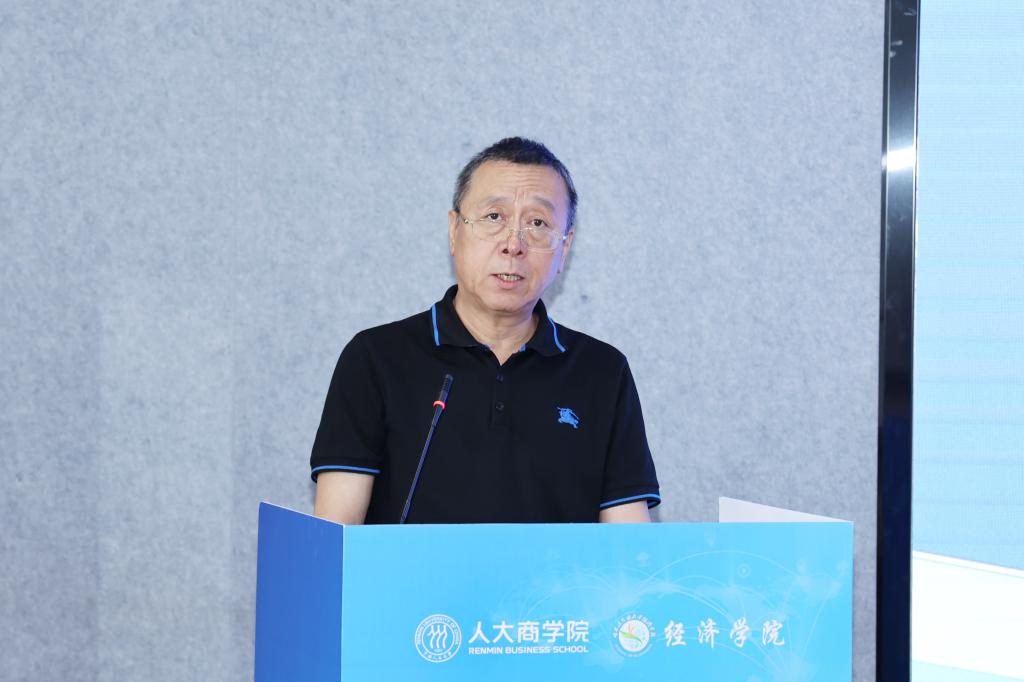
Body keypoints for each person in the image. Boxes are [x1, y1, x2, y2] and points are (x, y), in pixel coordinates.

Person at [311, 137, 659, 525]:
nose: (513, 244)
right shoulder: (376, 359)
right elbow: (335, 538)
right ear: (453, 231)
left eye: (538, 223)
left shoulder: (602, 372)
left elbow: (630, 547)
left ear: (564, 248)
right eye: (494, 217)